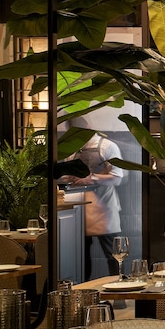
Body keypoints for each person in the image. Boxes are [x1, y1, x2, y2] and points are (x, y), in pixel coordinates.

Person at [61, 115, 124, 279]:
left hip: (104, 207)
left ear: (88, 128)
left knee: (113, 254)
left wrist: (92, 178)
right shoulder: (72, 151)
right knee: (81, 255)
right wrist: (68, 178)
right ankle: (82, 288)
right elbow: (66, 175)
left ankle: (119, 288)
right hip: (79, 209)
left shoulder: (107, 146)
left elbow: (117, 178)